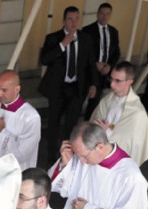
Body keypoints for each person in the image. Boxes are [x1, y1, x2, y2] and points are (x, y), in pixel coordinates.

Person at [38, 6, 98, 162]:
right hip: (58, 88)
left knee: (71, 125)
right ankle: (51, 156)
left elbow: (91, 63)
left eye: (76, 18)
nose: (74, 22)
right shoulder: (53, 38)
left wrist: (93, 84)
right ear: (64, 21)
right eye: (70, 19)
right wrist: (62, 45)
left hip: (76, 88)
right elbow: (44, 60)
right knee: (53, 123)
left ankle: (67, 156)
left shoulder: (85, 38)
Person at [90, 62, 148, 165]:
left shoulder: (137, 112)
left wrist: (106, 131)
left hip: (117, 165)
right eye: (111, 79)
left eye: (117, 81)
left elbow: (130, 145)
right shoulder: (107, 100)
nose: (112, 84)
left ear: (130, 82)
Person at [82, 2, 121, 119]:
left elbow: (116, 52)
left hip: (106, 72)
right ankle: (86, 124)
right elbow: (84, 52)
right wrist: (95, 64)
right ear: (98, 14)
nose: (104, 16)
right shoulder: (87, 30)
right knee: (90, 99)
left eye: (107, 14)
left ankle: (94, 122)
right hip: (91, 71)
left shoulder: (113, 31)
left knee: (101, 102)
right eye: (102, 13)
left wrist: (109, 66)